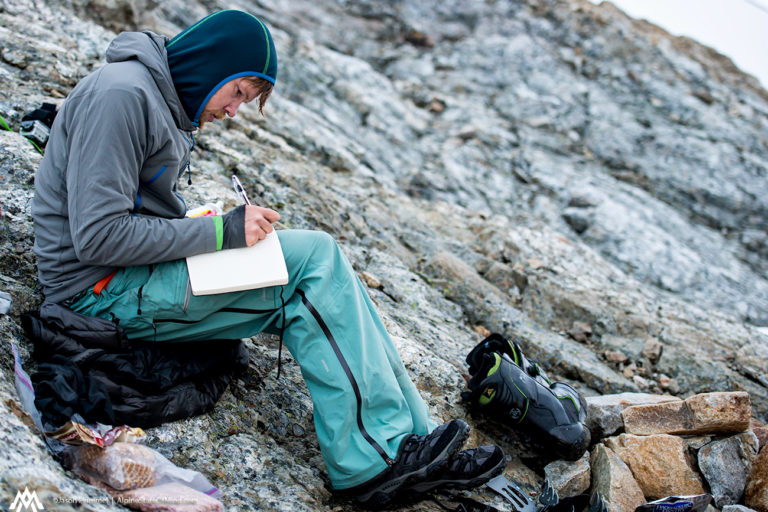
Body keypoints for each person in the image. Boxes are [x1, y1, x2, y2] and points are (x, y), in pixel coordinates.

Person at [30, 10, 505, 507]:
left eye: (245, 100)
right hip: (99, 295)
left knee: (323, 265)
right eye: (237, 92)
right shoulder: (122, 96)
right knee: (311, 262)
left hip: (130, 279)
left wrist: (207, 228)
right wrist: (221, 230)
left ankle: (413, 441)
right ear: (210, 64)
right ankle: (373, 462)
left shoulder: (156, 98)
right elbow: (98, 237)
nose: (234, 110)